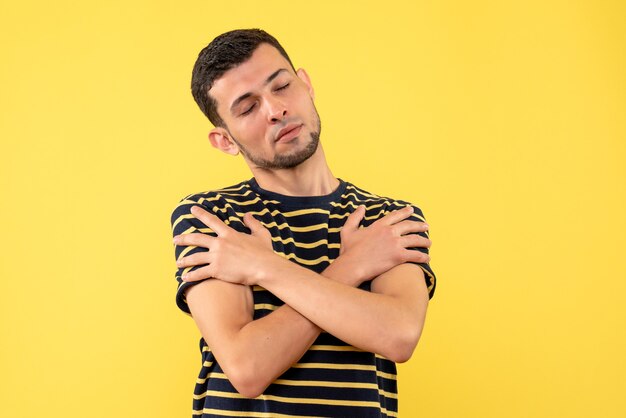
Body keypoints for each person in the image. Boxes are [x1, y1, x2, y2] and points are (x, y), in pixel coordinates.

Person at [171, 28, 437, 418]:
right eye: (247, 108)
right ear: (224, 140)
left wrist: (263, 267)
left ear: (306, 84)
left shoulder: (389, 221)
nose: (275, 109)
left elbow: (397, 336)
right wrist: (355, 265)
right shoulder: (213, 220)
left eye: (281, 86)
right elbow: (247, 368)